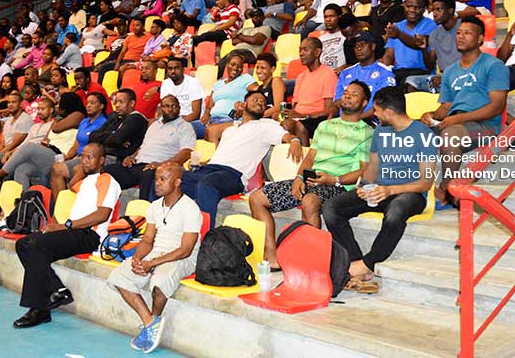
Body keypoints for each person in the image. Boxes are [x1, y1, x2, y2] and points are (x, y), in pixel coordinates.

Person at [323, 86, 437, 293]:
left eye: (376, 110)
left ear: (389, 112)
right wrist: (364, 187)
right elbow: (373, 167)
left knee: (396, 211)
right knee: (332, 207)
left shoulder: (423, 134)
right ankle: (357, 262)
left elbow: (425, 182)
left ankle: (367, 263)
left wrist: (389, 190)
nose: (373, 114)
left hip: (410, 193)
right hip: (380, 191)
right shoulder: (381, 132)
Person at [249, 82, 372, 269]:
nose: (346, 96)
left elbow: (364, 170)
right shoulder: (325, 126)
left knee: (310, 201)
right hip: (311, 180)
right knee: (257, 198)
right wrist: (299, 178)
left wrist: (333, 179)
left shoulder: (367, 132)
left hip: (338, 185)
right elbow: (310, 159)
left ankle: (310, 264)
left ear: (364, 103)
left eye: (353, 94)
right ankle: (271, 256)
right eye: (345, 93)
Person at [13, 143, 120, 329]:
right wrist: (81, 168)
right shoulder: (87, 181)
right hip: (74, 232)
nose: (84, 161)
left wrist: (66, 225)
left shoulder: (107, 181)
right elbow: (71, 184)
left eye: (90, 157)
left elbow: (102, 215)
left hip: (90, 235)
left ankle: (39, 309)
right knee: (23, 244)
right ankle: (56, 291)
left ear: (102, 160)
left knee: (37, 243)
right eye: (83, 156)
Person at [107, 163, 201, 353]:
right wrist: (138, 259)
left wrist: (152, 263)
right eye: (156, 178)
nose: (156, 183)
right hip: (155, 252)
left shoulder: (190, 209)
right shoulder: (154, 206)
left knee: (159, 281)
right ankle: (150, 323)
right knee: (119, 276)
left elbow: (186, 250)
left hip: (182, 257)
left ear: (177, 182)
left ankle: (152, 325)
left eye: (162, 179)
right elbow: (148, 239)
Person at [421, 17, 509, 206]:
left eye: (467, 33)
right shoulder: (451, 71)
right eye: (459, 32)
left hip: (486, 127)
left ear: (480, 39)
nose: (460, 36)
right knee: (408, 131)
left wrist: (458, 118)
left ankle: (446, 189)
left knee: (451, 135)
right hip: (455, 121)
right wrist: (430, 115)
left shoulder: (494, 66)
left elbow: (497, 107)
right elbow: (446, 107)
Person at [183, 90, 303, 227]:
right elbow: (213, 133)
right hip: (210, 169)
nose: (260, 103)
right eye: (256, 100)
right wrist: (206, 163)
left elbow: (286, 136)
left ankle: (204, 235)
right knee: (172, 178)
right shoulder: (230, 129)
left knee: (207, 184)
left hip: (234, 175)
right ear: (244, 104)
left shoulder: (266, 125)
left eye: (263, 103)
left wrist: (295, 140)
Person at [104, 95, 195, 200]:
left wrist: (162, 165)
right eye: (166, 106)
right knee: (105, 171)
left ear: (179, 108)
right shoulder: (154, 125)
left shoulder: (185, 127)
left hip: (156, 167)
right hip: (137, 164)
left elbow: (187, 152)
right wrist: (131, 156)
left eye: (173, 106)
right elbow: (143, 147)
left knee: (149, 176)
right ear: (161, 108)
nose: (170, 109)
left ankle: (142, 214)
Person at [0, 97, 77, 189]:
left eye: (59, 106)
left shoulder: (76, 126)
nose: (57, 107)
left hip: (58, 155)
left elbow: (73, 149)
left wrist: (65, 157)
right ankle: (24, 199)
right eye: (38, 109)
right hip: (43, 153)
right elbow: (45, 140)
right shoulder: (55, 124)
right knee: (22, 169)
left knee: (29, 147)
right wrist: (11, 152)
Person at [49, 92, 109, 196]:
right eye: (87, 103)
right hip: (78, 156)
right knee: (55, 166)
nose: (88, 105)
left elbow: (98, 149)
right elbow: (76, 144)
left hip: (89, 159)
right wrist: (67, 157)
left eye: (93, 103)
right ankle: (59, 207)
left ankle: (64, 207)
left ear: (101, 106)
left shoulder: (104, 123)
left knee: (59, 171)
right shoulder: (84, 121)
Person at [405, 0, 461, 93]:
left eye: (439, 10)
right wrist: (423, 49)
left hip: (462, 75)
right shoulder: (435, 34)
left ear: (450, 10)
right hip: (442, 77)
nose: (434, 14)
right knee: (411, 81)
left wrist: (447, 76)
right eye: (433, 10)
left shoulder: (463, 28)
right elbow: (430, 66)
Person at [285, 37, 338, 141]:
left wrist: (303, 115)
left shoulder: (328, 74)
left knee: (297, 126)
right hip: (299, 117)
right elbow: (295, 106)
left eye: (305, 50)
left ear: (317, 52)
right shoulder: (301, 76)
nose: (301, 53)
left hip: (316, 118)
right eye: (300, 50)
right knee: (280, 124)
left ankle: (306, 156)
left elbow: (328, 110)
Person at [333, 33, 396, 120]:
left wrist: (356, 119)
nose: (359, 48)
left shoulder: (385, 72)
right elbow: (337, 102)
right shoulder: (345, 72)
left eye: (362, 45)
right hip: (342, 123)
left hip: (371, 123)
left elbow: (384, 105)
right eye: (356, 46)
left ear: (373, 46)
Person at [192, 54, 255, 139]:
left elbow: (257, 95)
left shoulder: (246, 78)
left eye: (239, 66)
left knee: (212, 130)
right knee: (186, 128)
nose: (236, 68)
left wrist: (244, 108)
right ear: (227, 65)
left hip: (229, 119)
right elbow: (209, 106)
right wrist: (206, 115)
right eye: (233, 64)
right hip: (212, 119)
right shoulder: (218, 84)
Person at [382, 0, 438, 86]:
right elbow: (389, 54)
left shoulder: (431, 25)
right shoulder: (397, 26)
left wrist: (399, 34)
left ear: (424, 9)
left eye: (416, 7)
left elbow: (419, 44)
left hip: (421, 72)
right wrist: (384, 71)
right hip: (399, 72)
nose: (412, 10)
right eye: (409, 6)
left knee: (407, 83)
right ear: (404, 6)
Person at [160, 58, 203, 123]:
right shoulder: (165, 83)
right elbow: (164, 109)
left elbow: (196, 114)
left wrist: (176, 124)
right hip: (171, 119)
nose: (173, 71)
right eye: (170, 69)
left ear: (183, 70)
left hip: (191, 120)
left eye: (176, 68)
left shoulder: (193, 83)